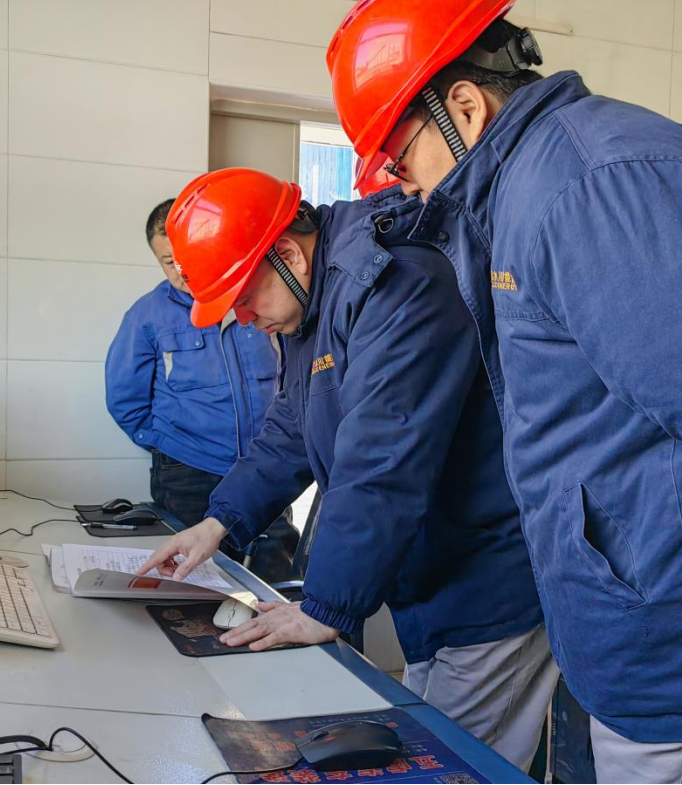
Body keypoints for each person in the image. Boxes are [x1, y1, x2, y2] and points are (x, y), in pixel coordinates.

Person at [327, 2, 682, 782]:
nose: (407, 189)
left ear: (463, 107)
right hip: (641, 622)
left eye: (401, 162)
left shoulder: (587, 186)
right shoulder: (529, 187)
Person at [140, 168, 557, 770]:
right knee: (430, 741)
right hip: (433, 574)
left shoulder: (399, 283)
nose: (246, 320)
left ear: (288, 255)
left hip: (488, 580)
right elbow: (291, 425)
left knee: (458, 765)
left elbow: (381, 458)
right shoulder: (316, 302)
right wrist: (218, 522)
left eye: (245, 299)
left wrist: (325, 606)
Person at [105, 200, 298, 581]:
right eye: (168, 261)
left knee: (275, 579)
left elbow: (290, 379)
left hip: (262, 468)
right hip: (188, 474)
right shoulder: (147, 315)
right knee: (192, 582)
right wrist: (169, 446)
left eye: (187, 256)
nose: (182, 270)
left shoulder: (259, 299)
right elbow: (124, 400)